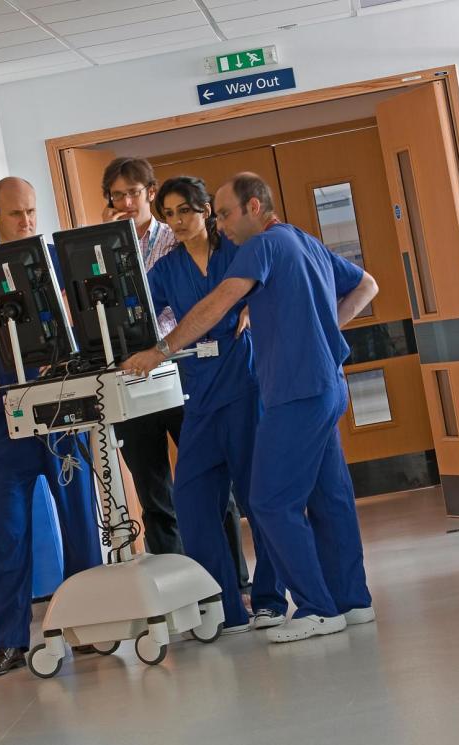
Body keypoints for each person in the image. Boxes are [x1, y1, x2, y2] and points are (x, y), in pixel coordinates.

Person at [123, 172, 380, 644]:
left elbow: (217, 303)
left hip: (293, 392)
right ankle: (353, 601)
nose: (220, 223)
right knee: (330, 498)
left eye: (223, 213)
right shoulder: (302, 239)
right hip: (325, 384)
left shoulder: (258, 247)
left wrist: (161, 351)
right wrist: (326, 331)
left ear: (255, 208)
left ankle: (317, 607)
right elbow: (367, 285)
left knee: (270, 501)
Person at [0, 177, 102, 678]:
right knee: (9, 534)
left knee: (82, 524)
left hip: (62, 414)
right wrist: (43, 333)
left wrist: (22, 333)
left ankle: (87, 628)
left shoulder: (56, 261)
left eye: (33, 212)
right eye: (16, 214)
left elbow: (84, 323)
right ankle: (9, 642)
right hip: (7, 419)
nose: (27, 222)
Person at [99, 157, 250, 593]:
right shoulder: (104, 248)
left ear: (150, 192)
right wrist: (106, 243)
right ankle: (176, 589)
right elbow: (109, 307)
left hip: (185, 376)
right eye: (117, 195)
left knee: (211, 483)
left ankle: (233, 579)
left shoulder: (180, 241)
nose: (126, 202)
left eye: (134, 193)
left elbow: (243, 285)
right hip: (134, 379)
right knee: (153, 494)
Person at [147, 176, 287, 632]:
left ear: (206, 209)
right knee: (191, 501)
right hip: (199, 392)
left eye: (184, 210)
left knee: (256, 498)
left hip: (243, 382)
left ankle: (268, 598)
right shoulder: (166, 270)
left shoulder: (238, 252)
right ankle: (221, 606)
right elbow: (134, 309)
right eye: (168, 214)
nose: (177, 221)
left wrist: (253, 308)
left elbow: (273, 288)